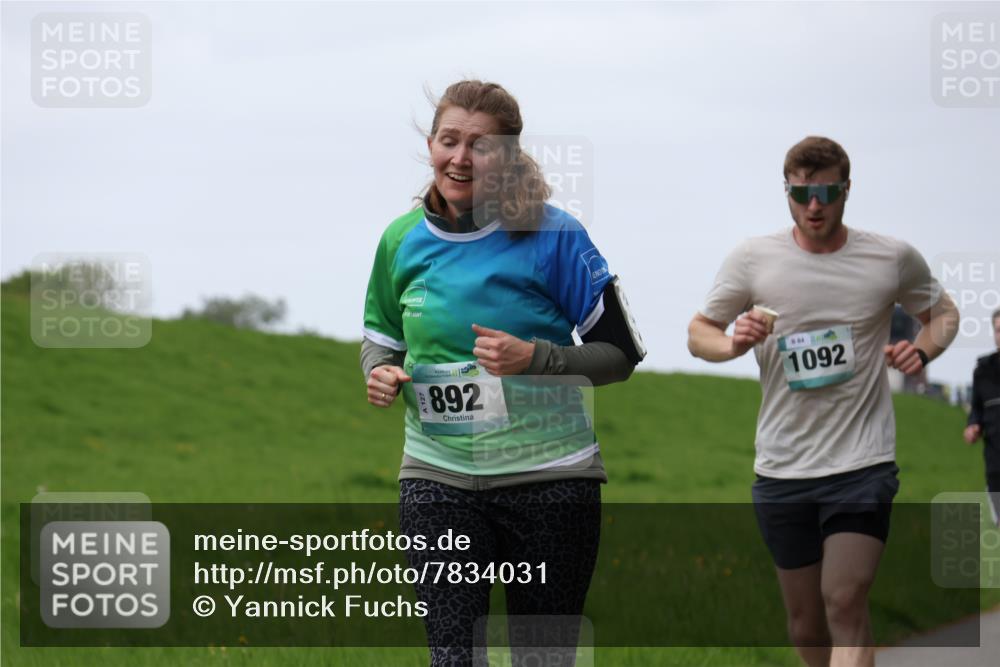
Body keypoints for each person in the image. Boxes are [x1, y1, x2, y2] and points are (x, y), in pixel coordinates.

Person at [361, 80, 644, 666]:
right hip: (436, 477)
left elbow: (620, 354)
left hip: (550, 479)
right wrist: (381, 372)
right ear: (431, 145)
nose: (461, 159)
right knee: (453, 658)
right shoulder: (399, 241)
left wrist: (537, 359)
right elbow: (380, 338)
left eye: (481, 146)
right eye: (449, 141)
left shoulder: (555, 234)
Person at [687, 136, 960, 667]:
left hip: (862, 462)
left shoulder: (889, 257)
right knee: (806, 623)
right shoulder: (753, 259)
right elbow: (699, 331)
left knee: (845, 598)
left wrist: (921, 350)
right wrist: (732, 344)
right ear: (787, 191)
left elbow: (944, 314)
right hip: (783, 466)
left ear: (847, 190)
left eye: (828, 193)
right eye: (802, 194)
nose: (815, 206)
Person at [963, 308, 1000, 526]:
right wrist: (973, 425)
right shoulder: (982, 370)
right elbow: (976, 408)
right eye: (998, 330)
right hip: (995, 459)